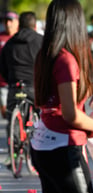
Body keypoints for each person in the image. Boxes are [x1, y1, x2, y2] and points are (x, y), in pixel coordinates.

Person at [30, 0, 93, 193]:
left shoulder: (46, 55)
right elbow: (71, 115)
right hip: (64, 150)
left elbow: (58, 103)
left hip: (44, 146)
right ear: (75, 23)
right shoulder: (66, 60)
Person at [0, 11, 42, 168]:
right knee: (40, 115)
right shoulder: (41, 42)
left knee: (12, 115)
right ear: (35, 25)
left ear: (19, 24)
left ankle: (14, 152)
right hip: (34, 86)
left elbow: (2, 67)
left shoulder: (10, 43)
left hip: (15, 85)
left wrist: (11, 80)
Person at [0, 11, 19, 118]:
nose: (8, 23)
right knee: (5, 114)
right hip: (2, 82)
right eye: (6, 21)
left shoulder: (20, 37)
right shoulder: (0, 37)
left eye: (10, 20)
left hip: (17, 80)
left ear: (17, 22)